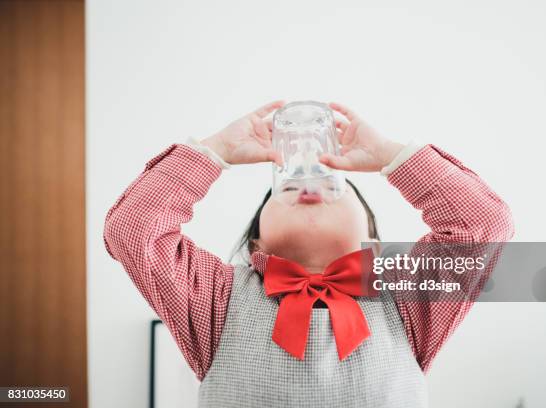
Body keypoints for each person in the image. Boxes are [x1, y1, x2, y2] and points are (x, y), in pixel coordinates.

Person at [103, 100, 514, 407]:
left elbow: (484, 225)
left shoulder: (405, 297)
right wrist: (215, 151)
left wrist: (392, 157)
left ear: (370, 235)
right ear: (255, 245)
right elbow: (133, 230)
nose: (308, 182)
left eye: (335, 184)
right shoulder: (215, 299)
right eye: (284, 187)